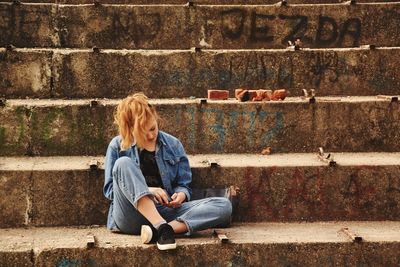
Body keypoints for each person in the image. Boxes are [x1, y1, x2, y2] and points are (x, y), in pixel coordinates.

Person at [103, 93, 232, 250]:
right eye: (145, 132)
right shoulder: (117, 146)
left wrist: (181, 194)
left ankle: (162, 231)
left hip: (166, 212)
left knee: (224, 205)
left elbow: (183, 184)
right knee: (123, 163)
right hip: (131, 216)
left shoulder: (173, 145)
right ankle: (162, 227)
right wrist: (147, 191)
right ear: (131, 129)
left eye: (153, 128)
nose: (151, 135)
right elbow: (110, 191)